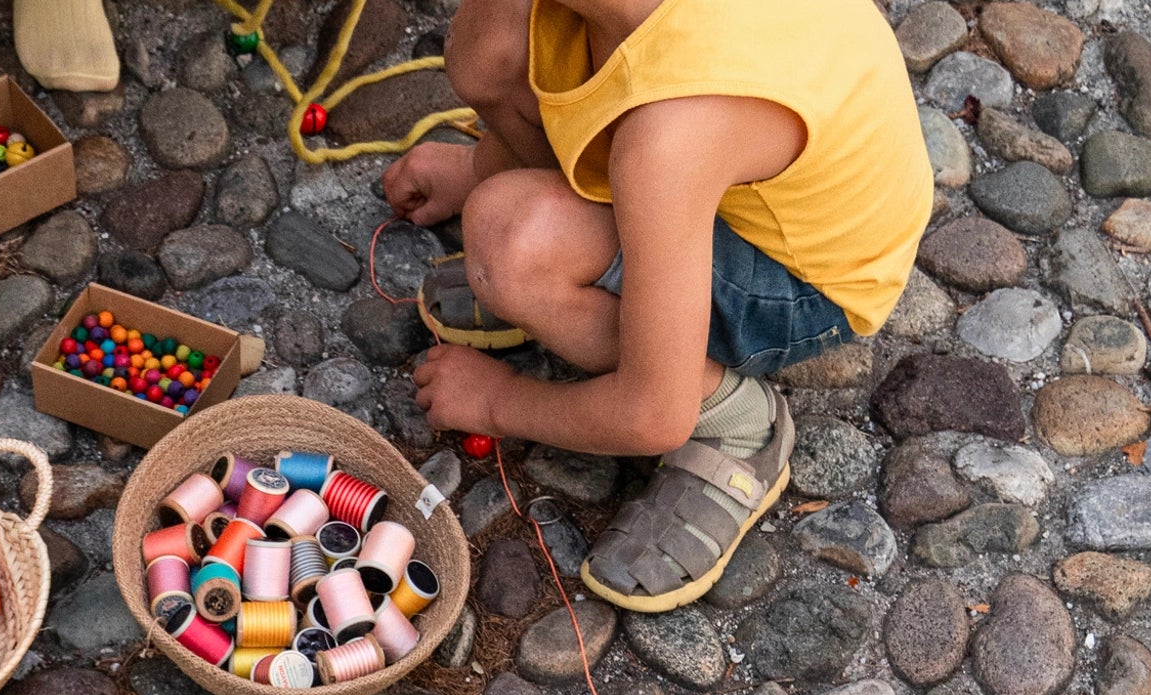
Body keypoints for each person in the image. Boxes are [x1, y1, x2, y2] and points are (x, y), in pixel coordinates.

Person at [386, 0, 930, 610]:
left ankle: (734, 418)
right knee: (491, 48)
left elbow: (653, 414)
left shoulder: (674, 132)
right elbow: (511, 64)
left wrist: (497, 400)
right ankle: (587, 238)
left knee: (514, 241)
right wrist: (482, 164)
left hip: (802, 277)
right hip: (714, 174)